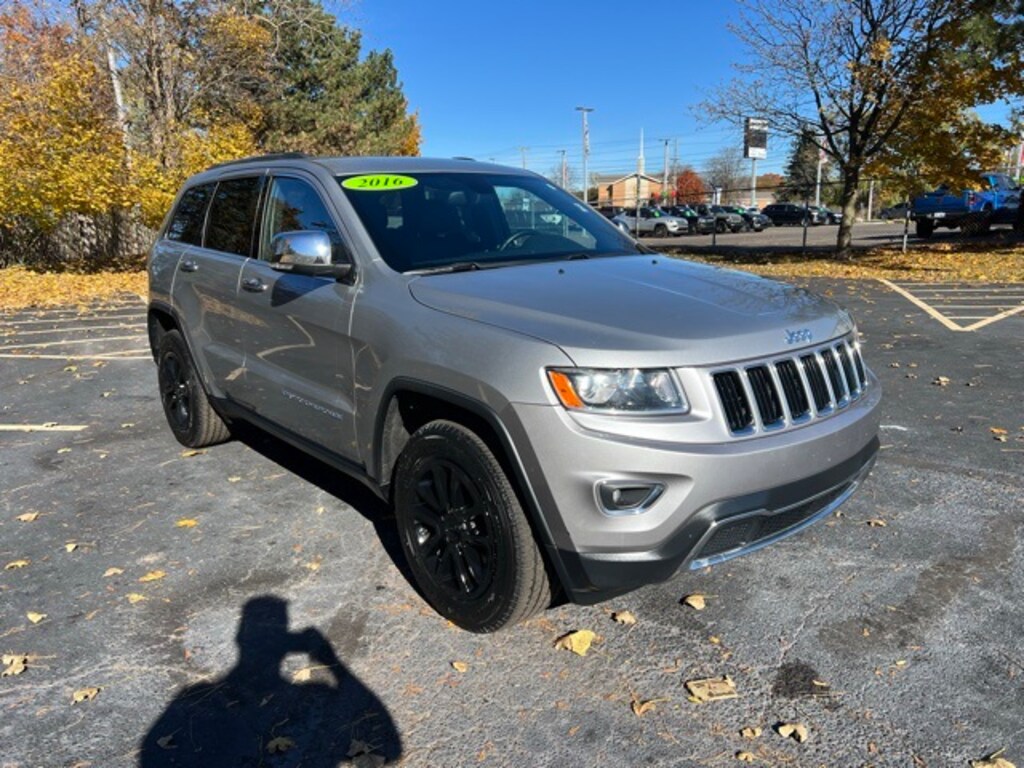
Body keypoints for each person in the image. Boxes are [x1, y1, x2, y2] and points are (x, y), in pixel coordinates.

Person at [139, 596, 401, 767]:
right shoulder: (317, 692)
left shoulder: (193, 696)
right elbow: (391, 748)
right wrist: (332, 661)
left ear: (239, 639)